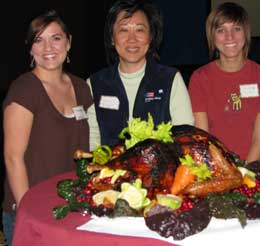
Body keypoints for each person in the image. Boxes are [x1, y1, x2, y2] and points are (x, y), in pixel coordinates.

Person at [2, 10, 92, 245]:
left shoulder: (82, 88)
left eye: (56, 38)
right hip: (32, 212)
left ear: (69, 42)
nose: (48, 48)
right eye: (38, 40)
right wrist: (27, 212)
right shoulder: (25, 90)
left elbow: (89, 149)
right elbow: (13, 158)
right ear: (30, 49)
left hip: (70, 208)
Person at [87, 0, 194, 149]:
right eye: (124, 30)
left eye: (140, 30)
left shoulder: (170, 79)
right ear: (112, 38)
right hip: (109, 169)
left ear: (150, 37)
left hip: (160, 170)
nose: (132, 39)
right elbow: (92, 137)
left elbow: (185, 137)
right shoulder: (95, 83)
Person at [188, 2, 260, 165]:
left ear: (246, 33)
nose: (229, 37)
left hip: (252, 169)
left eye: (236, 29)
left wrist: (245, 175)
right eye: (221, 30)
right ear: (212, 36)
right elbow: (203, 138)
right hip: (215, 168)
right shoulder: (200, 78)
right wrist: (223, 174)